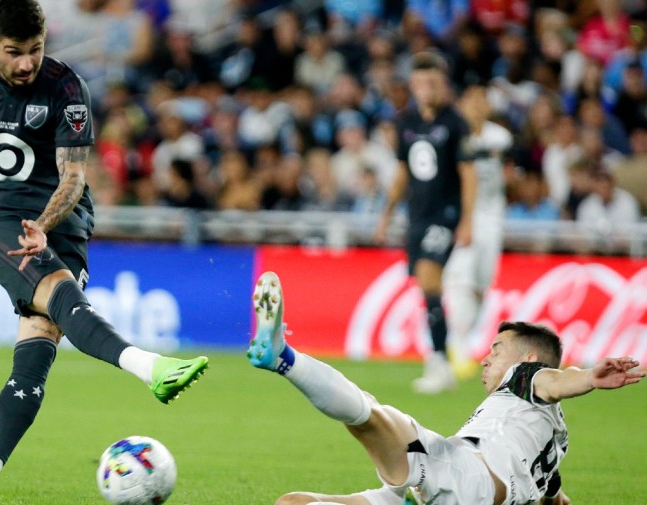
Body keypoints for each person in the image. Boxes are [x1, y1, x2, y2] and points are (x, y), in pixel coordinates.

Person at [0, 2, 209, 504]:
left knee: (38, 344)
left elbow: (73, 177)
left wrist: (45, 227)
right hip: (1, 216)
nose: (26, 63)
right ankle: (148, 366)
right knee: (58, 295)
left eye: (35, 50)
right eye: (14, 53)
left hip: (63, 220)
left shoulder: (68, 87)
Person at [247, 271, 644, 505]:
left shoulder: (526, 379)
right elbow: (556, 496)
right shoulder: (553, 441)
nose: (486, 359)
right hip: (449, 489)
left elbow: (557, 379)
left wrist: (590, 377)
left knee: (376, 416)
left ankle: (282, 357)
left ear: (527, 361)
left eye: (497, 349)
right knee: (294, 503)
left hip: (464, 477)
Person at [374, 51, 477, 394]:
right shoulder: (406, 122)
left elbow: (468, 173)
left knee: (431, 277)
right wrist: (387, 213)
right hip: (416, 215)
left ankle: (439, 362)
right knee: (425, 286)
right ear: (414, 85)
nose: (427, 88)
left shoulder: (454, 123)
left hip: (444, 214)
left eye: (433, 81)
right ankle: (440, 360)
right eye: (421, 82)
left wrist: (466, 220)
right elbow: (403, 171)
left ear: (443, 84)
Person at [443, 85, 512, 380]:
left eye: (481, 100)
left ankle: (464, 339)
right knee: (461, 276)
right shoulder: (453, 133)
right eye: (470, 99)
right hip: (462, 213)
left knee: (481, 284)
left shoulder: (500, 136)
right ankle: (456, 344)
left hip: (492, 217)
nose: (476, 105)